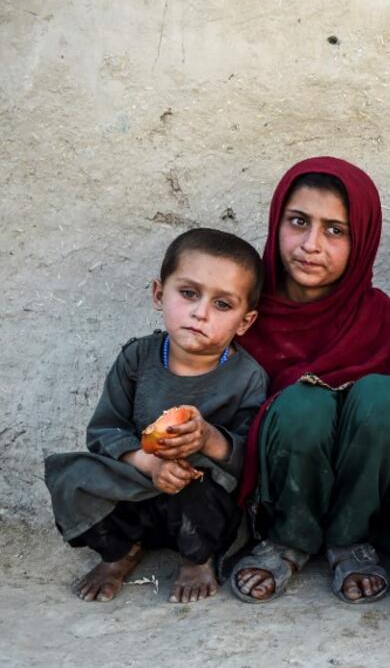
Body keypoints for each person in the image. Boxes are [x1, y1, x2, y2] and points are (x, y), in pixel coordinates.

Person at [44, 228, 267, 604]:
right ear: (159, 295)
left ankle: (197, 560)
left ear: (245, 322)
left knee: (201, 489)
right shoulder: (136, 359)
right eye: (189, 294)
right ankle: (119, 553)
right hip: (135, 485)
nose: (201, 312)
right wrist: (145, 461)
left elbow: (250, 461)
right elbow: (104, 430)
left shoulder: (248, 377)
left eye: (223, 305)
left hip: (199, 501)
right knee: (73, 475)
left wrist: (209, 439)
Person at [231, 157, 390, 604]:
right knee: (303, 406)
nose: (311, 244)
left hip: (366, 500)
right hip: (274, 495)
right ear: (277, 222)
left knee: (384, 396)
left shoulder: (383, 321)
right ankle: (288, 539)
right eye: (298, 222)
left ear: (363, 241)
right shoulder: (243, 313)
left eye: (336, 230)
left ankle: (351, 540)